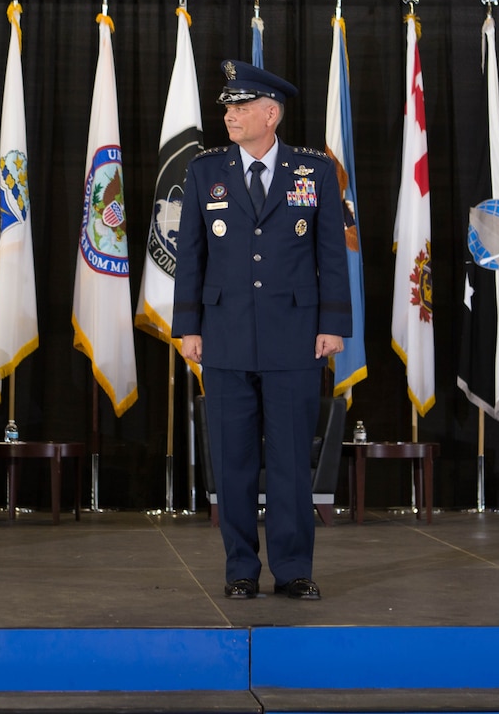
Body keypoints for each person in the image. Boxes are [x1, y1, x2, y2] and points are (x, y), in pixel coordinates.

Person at [171, 60, 352, 601]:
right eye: (227, 107)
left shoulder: (314, 171)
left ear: (270, 114)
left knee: (293, 458)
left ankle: (294, 568)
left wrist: (334, 324)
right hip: (224, 333)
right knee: (233, 459)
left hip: (295, 334)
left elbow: (331, 255)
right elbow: (191, 257)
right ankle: (241, 570)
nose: (229, 115)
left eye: (241, 107)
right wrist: (188, 327)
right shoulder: (206, 171)